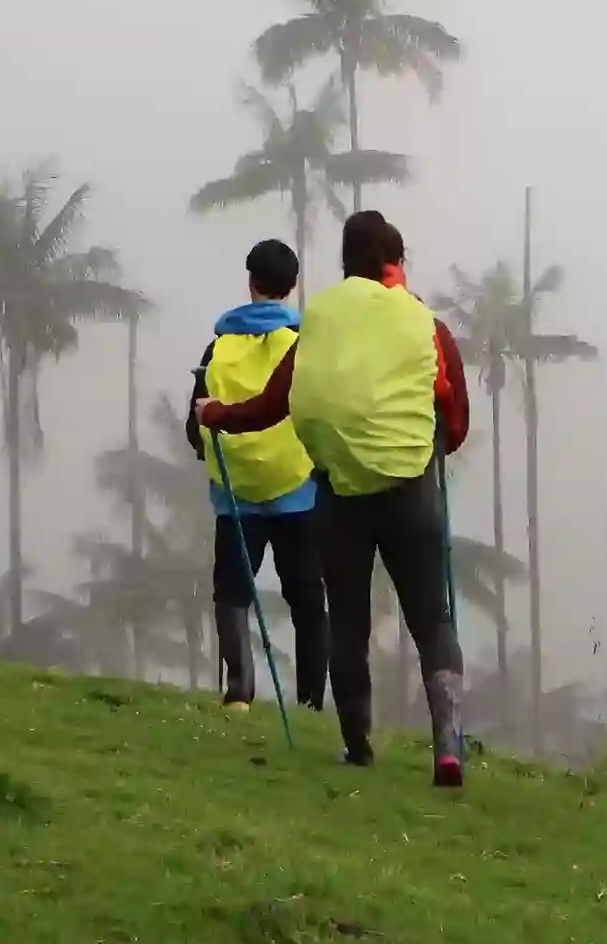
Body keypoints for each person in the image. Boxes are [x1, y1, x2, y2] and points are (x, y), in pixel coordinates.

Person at [196, 211, 470, 783]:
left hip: (339, 492)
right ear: (395, 262)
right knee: (431, 620)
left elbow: (274, 404)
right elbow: (457, 421)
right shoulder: (425, 323)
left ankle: (358, 746)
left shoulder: (319, 321)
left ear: (346, 261)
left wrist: (215, 414)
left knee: (348, 623)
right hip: (411, 490)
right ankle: (448, 747)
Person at [184, 238, 329, 714]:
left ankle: (239, 693)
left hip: (235, 492)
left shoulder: (218, 346)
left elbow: (195, 424)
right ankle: (309, 701)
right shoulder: (306, 345)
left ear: (250, 281)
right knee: (307, 597)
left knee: (232, 594)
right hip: (297, 491)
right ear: (292, 286)